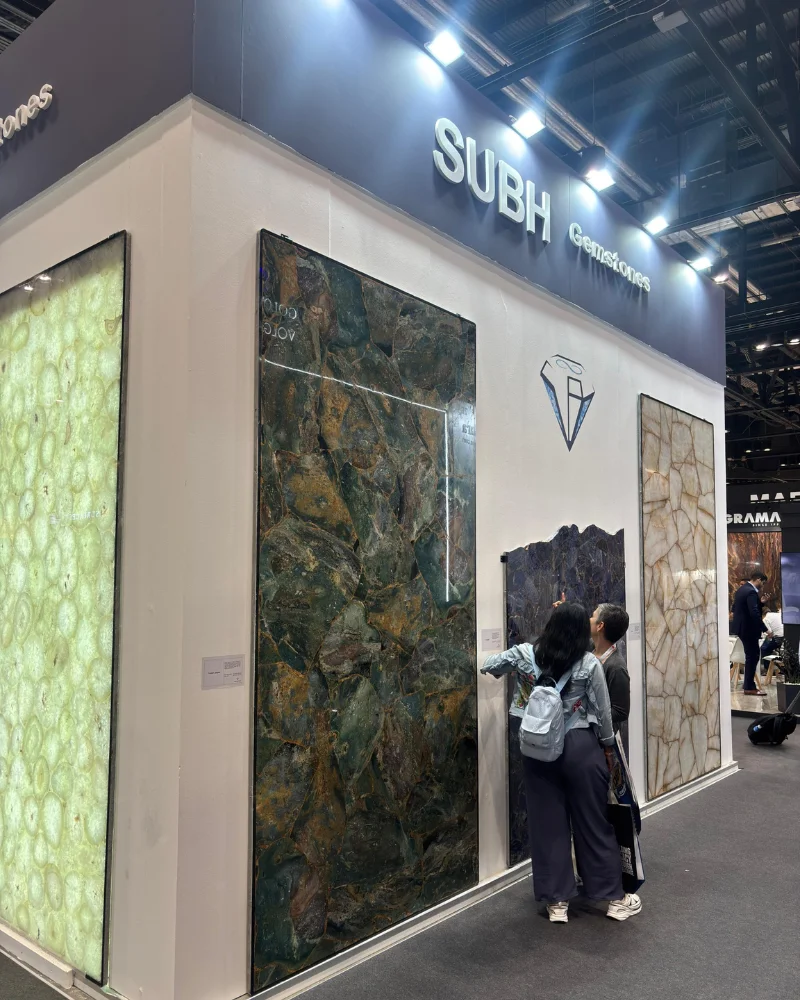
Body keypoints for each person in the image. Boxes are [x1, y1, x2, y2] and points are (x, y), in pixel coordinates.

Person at [481, 602, 642, 924]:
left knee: (547, 826)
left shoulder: (526, 654)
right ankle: (613, 898)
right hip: (580, 747)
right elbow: (604, 713)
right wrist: (607, 748)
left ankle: (557, 902)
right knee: (593, 822)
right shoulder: (589, 663)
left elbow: (490, 665)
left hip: (538, 750)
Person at [589, 604, 631, 751]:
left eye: (592, 616)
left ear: (600, 626)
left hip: (600, 743)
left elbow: (621, 712)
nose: (589, 619)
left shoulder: (616, 667)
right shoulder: (590, 649)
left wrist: (588, 713)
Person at [731, 572, 768, 696]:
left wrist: (761, 603)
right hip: (748, 629)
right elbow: (754, 613)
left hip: (742, 628)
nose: (762, 586)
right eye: (763, 583)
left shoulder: (742, 589)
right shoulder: (751, 592)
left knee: (751, 656)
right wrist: (765, 629)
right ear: (758, 579)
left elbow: (742, 608)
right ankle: (749, 687)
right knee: (752, 656)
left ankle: (748, 685)